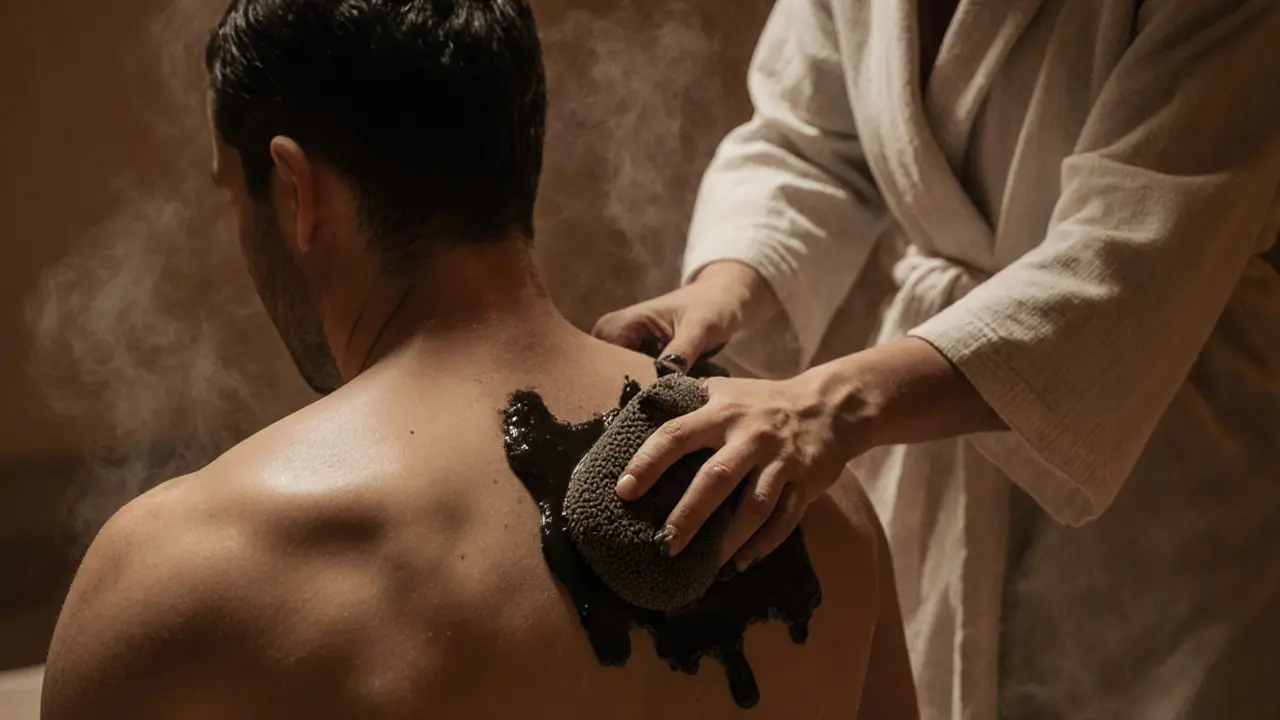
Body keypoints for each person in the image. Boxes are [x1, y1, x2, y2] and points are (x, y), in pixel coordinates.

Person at [39, 1, 919, 719]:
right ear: (515, 148)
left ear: (297, 189)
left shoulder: (186, 568)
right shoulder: (810, 497)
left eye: (237, 196)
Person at [594, 0, 1280, 718]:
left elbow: (1135, 249)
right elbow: (809, 141)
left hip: (1164, 435)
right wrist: (724, 286)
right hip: (938, 409)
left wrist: (834, 403)